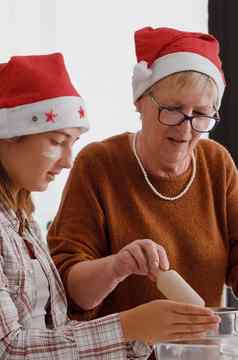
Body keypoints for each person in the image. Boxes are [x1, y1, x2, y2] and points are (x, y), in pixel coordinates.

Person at [0, 52, 219, 359]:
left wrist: (141, 329)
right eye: (56, 141)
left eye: (72, 142)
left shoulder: (22, 221)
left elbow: (54, 331)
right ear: (8, 134)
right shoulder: (99, 165)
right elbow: (9, 348)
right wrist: (129, 328)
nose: (67, 161)